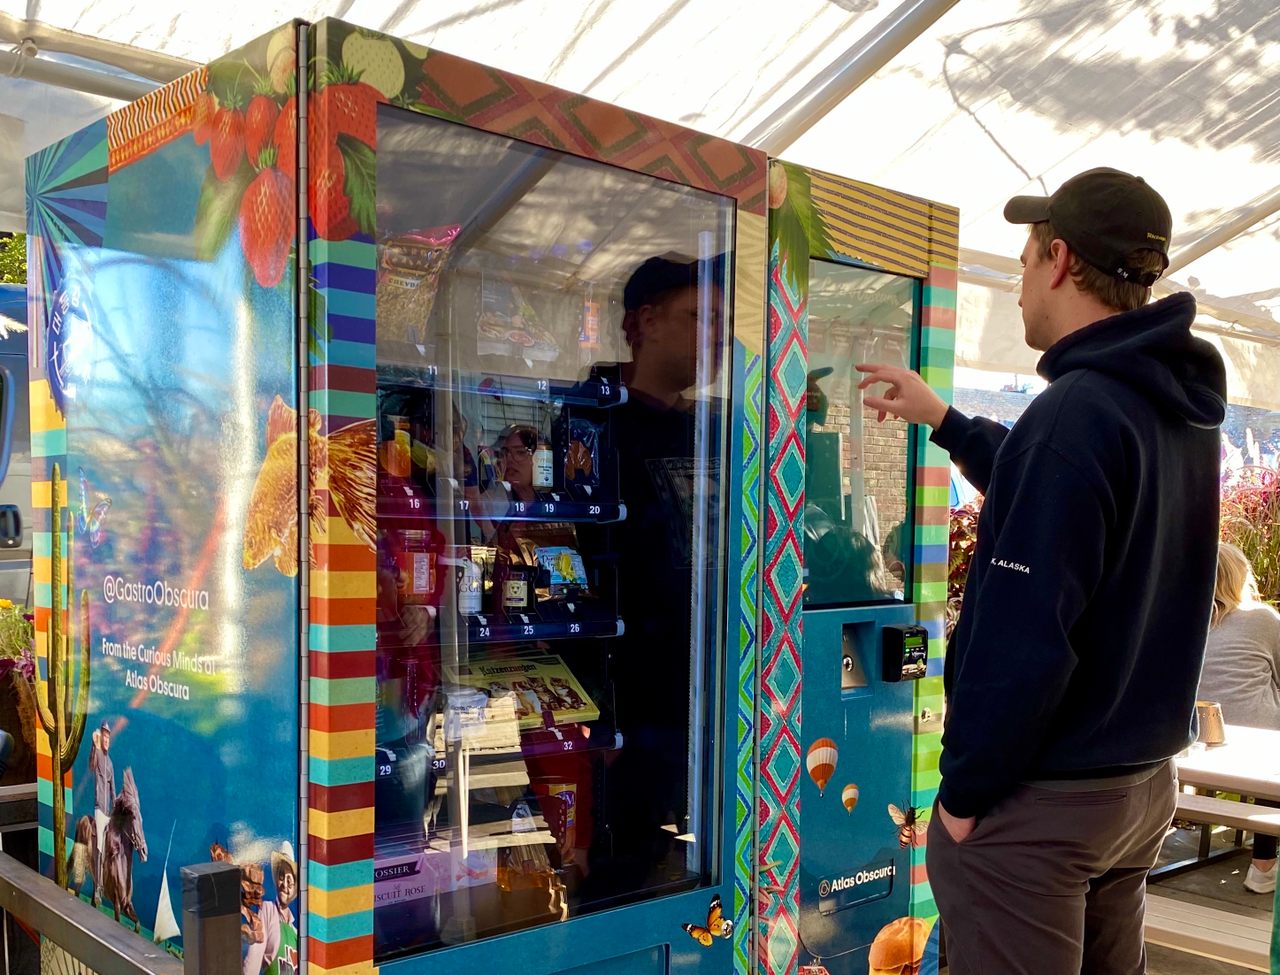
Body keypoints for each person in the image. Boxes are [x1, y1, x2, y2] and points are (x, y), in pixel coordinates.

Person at [857, 167, 1226, 975]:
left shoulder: (1077, 411)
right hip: (1135, 790)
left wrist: (962, 796)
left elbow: (1025, 643)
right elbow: (1063, 497)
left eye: (1024, 262)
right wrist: (948, 422)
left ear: (1058, 260)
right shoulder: (1173, 412)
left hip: (1044, 806)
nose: (1020, 284)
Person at [580, 254, 723, 898]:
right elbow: (575, 576)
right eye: (697, 318)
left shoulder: (713, 428)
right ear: (642, 323)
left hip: (718, 697)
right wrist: (598, 716)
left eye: (721, 322)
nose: (714, 340)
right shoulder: (592, 424)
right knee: (626, 875)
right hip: (633, 710)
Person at [1198, 542, 1280, 894]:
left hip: (1194, 736)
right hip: (1254, 739)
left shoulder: (1177, 620)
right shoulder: (1261, 618)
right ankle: (1262, 865)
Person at [243, 842, 298, 975]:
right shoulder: (268, 910)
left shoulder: (296, 933)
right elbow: (254, 956)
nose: (285, 884)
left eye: (289, 880)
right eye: (281, 877)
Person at [88, 721, 115, 906]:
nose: (107, 740)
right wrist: (94, 744)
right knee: (99, 846)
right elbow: (91, 765)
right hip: (99, 809)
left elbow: (113, 790)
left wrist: (117, 810)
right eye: (104, 736)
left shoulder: (110, 763)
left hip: (109, 812)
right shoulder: (97, 755)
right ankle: (97, 888)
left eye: (108, 737)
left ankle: (108, 885)